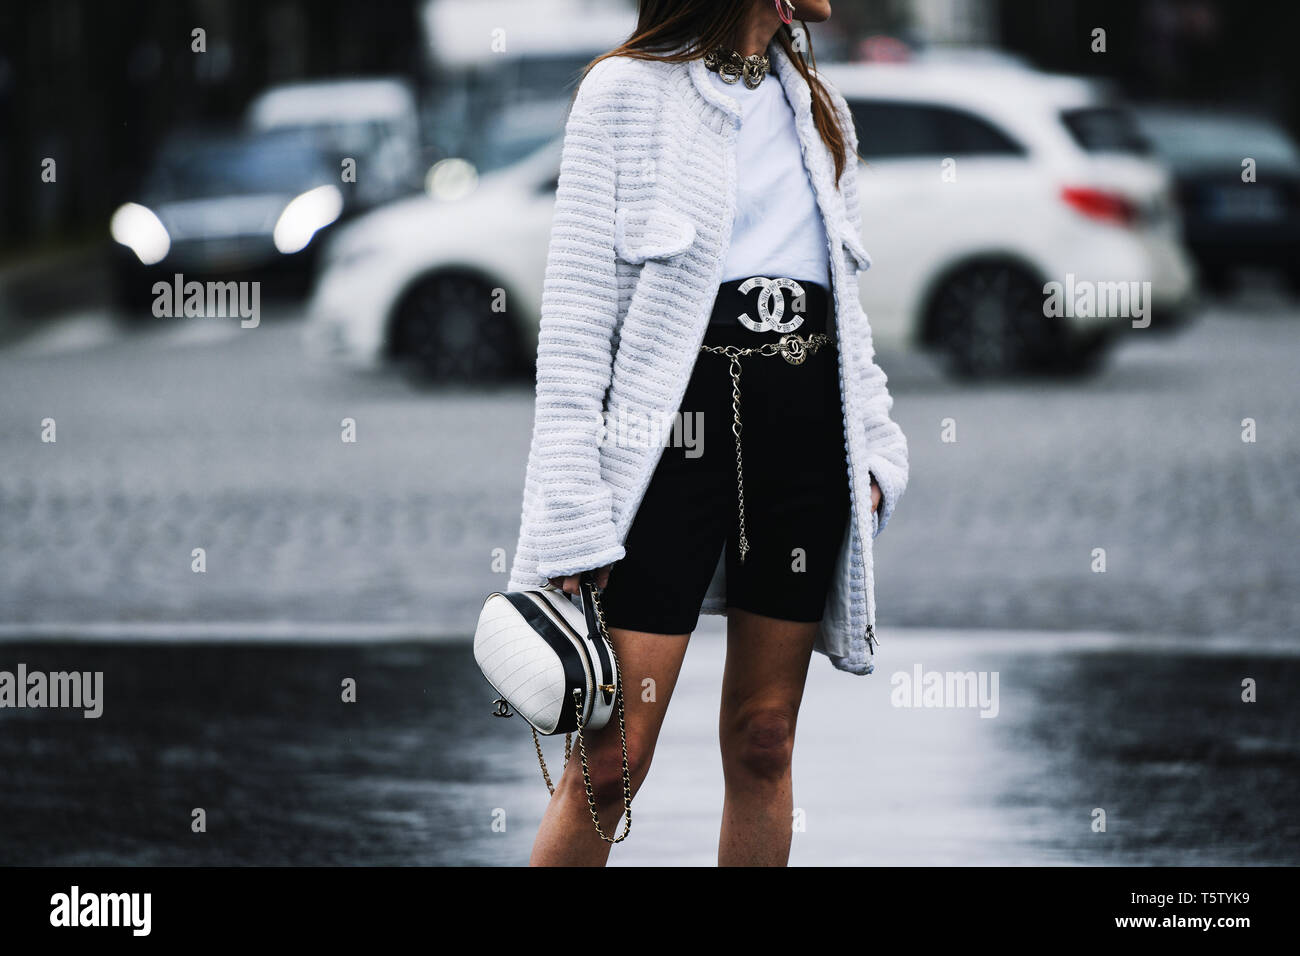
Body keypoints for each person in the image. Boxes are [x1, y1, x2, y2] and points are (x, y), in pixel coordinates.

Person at [506, 0, 910, 866]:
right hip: (670, 451)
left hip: (803, 447)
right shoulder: (622, 94)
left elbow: (850, 309)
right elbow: (576, 324)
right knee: (611, 762)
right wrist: (571, 510)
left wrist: (875, 451)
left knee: (766, 738)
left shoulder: (820, 107)